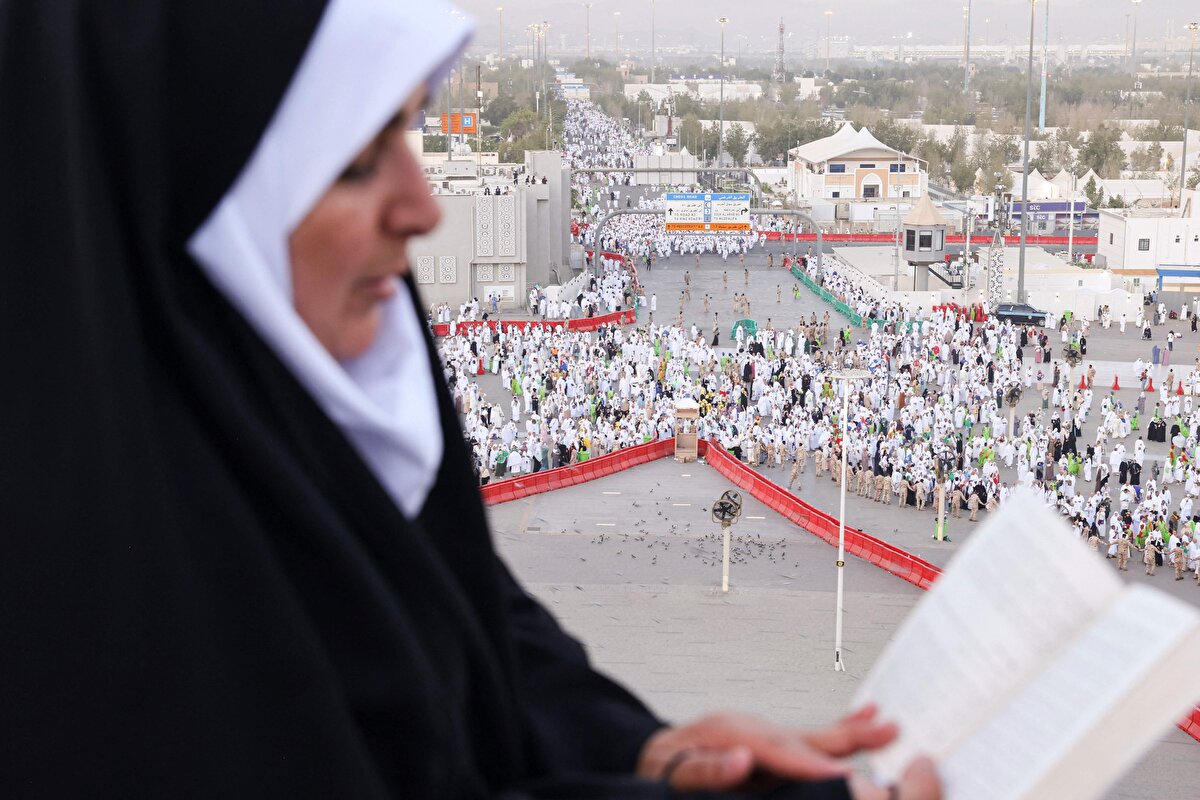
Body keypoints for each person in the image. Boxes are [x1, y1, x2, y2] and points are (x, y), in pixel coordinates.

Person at [2, 1, 942, 798]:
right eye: (355, 162)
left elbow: (459, 624)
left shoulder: (298, 411)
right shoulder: (77, 613)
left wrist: (643, 750)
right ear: (192, 190)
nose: (423, 207)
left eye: (409, 135)